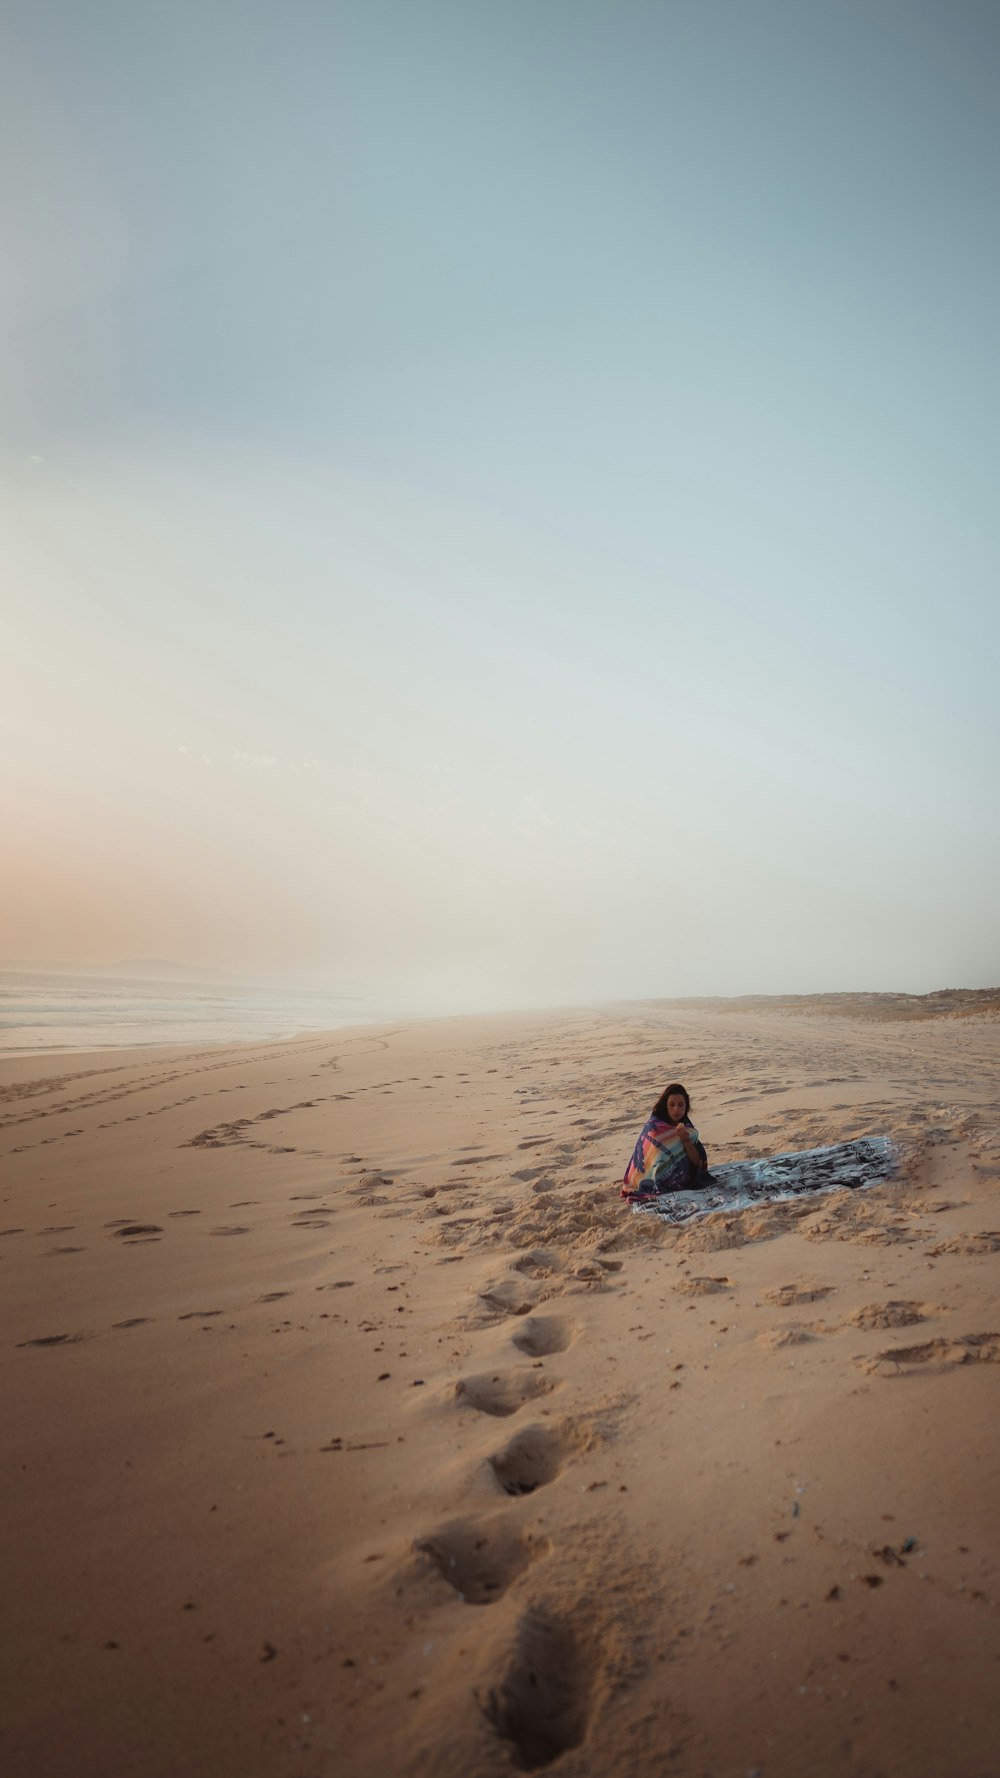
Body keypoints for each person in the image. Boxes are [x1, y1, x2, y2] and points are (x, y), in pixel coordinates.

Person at [621, 1081, 708, 1199]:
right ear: (665, 1105)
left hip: (683, 1180)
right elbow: (654, 1167)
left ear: (686, 1106)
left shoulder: (687, 1127)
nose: (676, 1109)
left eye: (681, 1105)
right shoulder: (655, 1130)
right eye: (671, 1105)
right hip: (654, 1181)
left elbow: (697, 1162)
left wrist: (686, 1141)